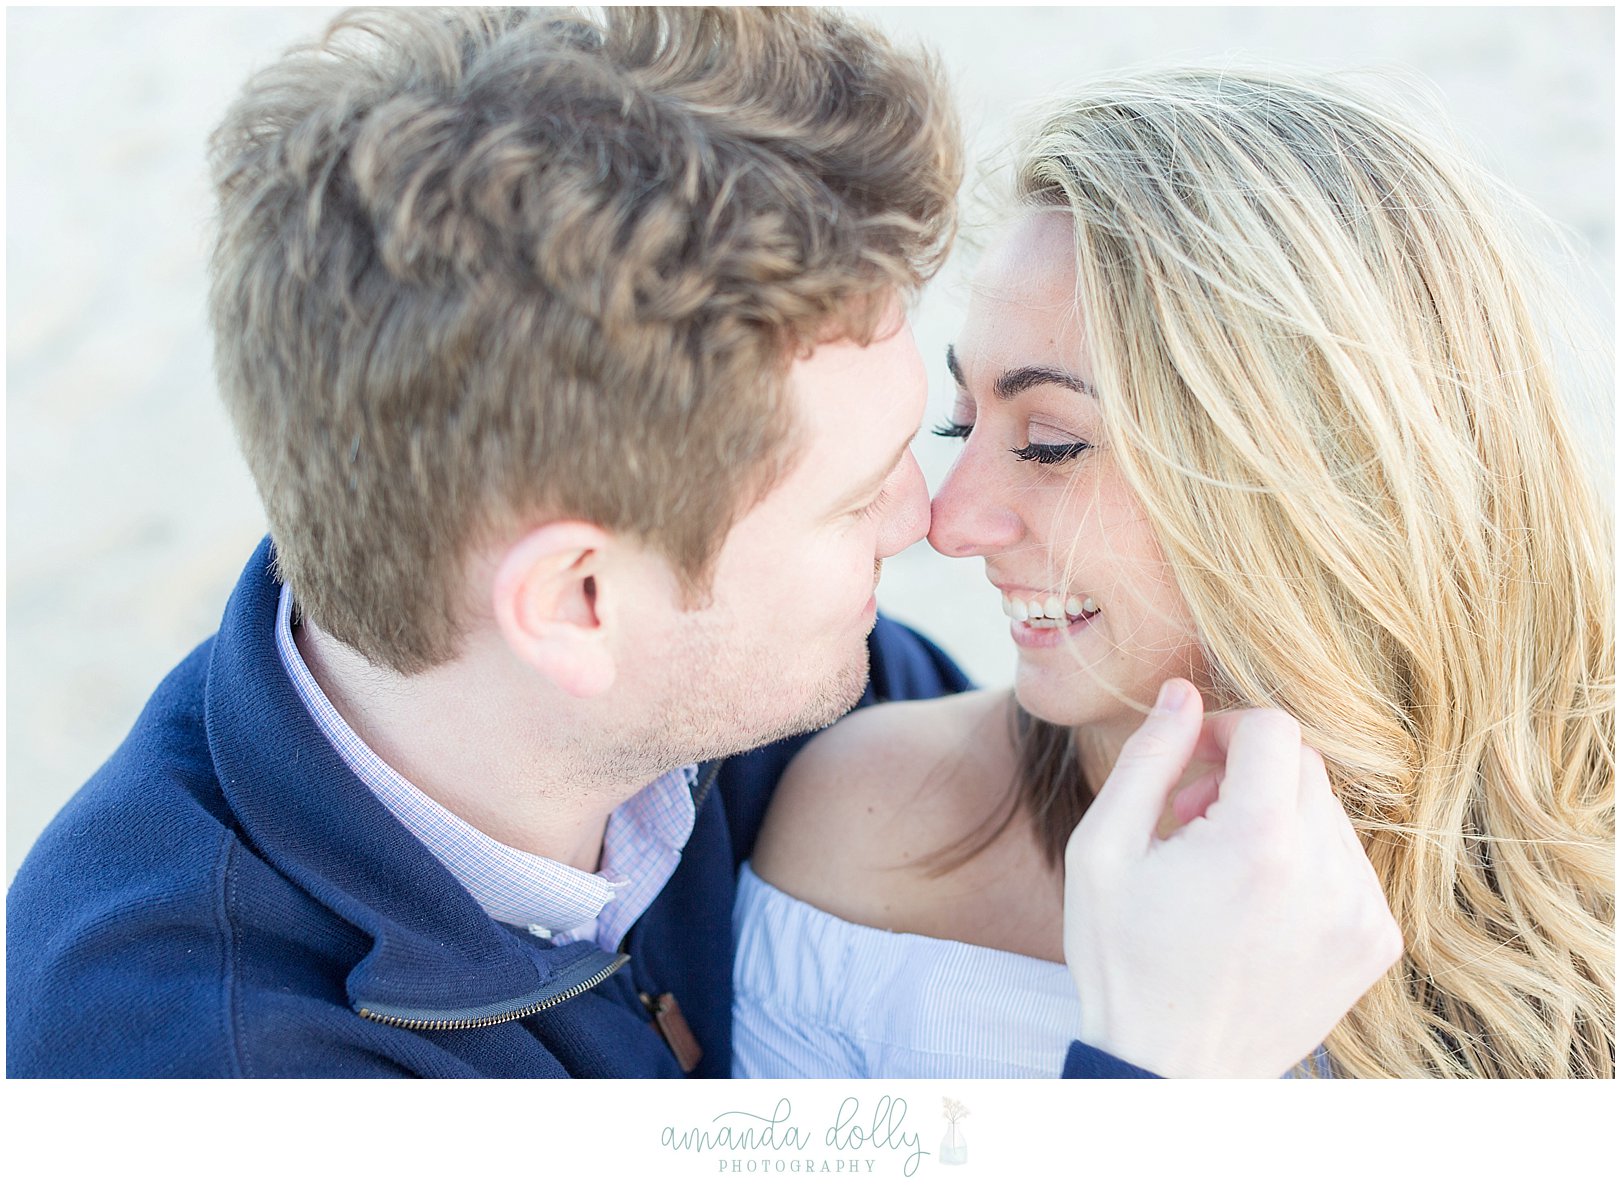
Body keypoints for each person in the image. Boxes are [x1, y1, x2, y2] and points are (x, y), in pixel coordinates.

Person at [8, 10, 1393, 1079]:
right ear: (579, 600)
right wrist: (1164, 1082)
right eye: (854, 498)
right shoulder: (194, 1066)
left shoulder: (775, 698)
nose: (934, 524)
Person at [736, 67, 1613, 1079]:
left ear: (1320, 473)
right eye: (960, 421)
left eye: (1052, 442)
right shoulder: (873, 837)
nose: (950, 521)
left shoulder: (1584, 897)